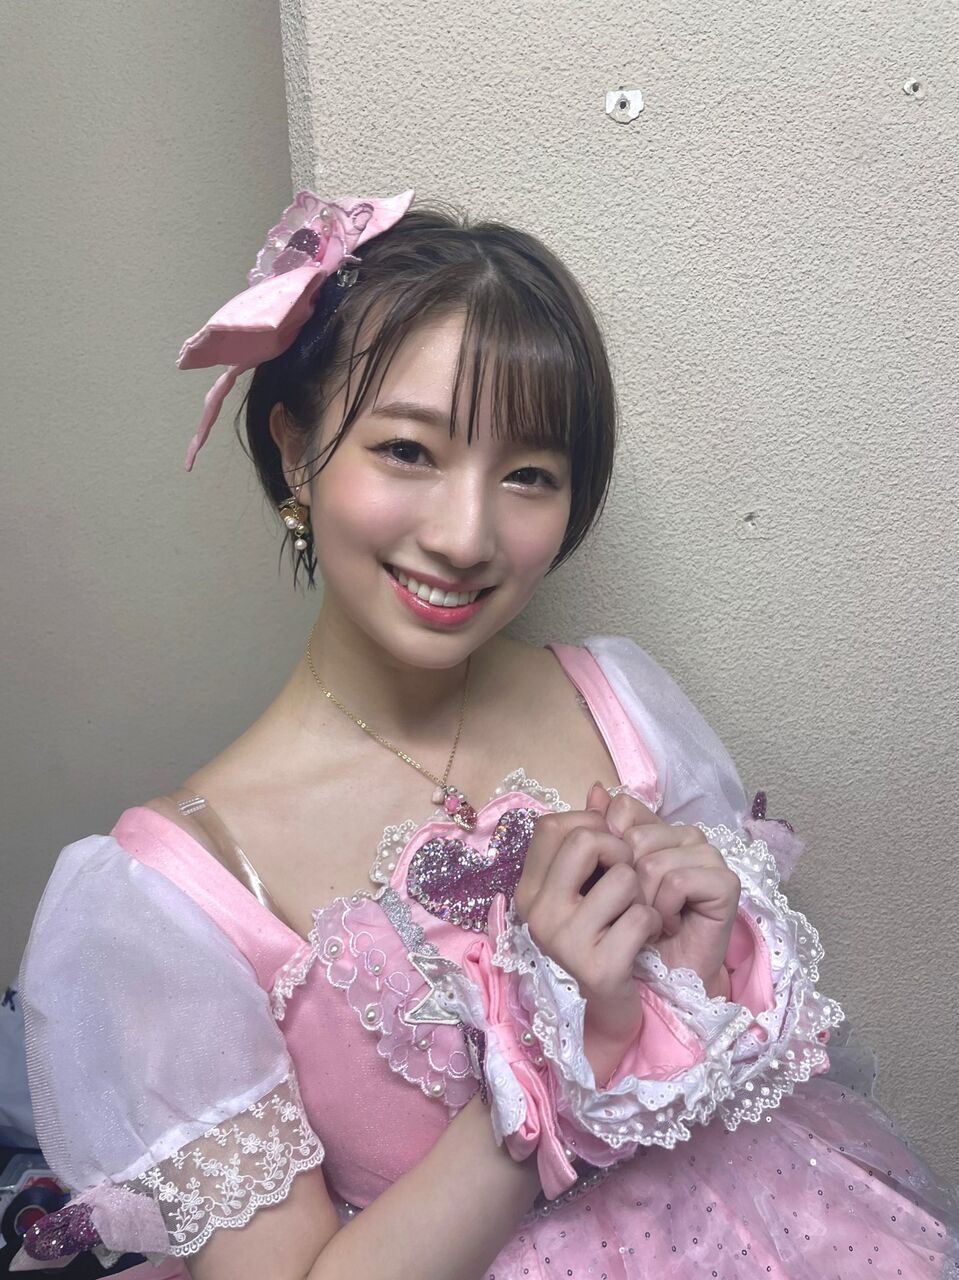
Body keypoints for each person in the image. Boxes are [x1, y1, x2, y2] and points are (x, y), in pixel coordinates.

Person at [13, 189, 958, 1280]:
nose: (466, 537)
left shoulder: (623, 705)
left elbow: (741, 1083)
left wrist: (697, 981)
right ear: (297, 447)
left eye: (527, 475)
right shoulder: (171, 897)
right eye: (407, 450)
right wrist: (553, 1064)